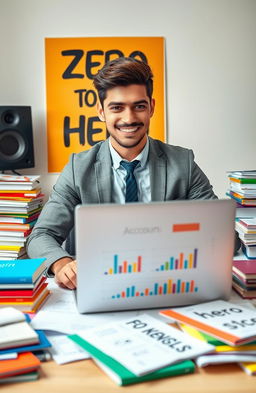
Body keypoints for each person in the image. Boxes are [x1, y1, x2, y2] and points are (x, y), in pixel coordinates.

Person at [27, 56, 228, 290]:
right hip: (99, 286)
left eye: (139, 106)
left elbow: (223, 237)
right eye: (117, 108)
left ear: (151, 107)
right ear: (102, 112)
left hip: (165, 284)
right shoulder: (77, 168)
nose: (129, 118)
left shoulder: (183, 163)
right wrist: (63, 265)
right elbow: (40, 236)